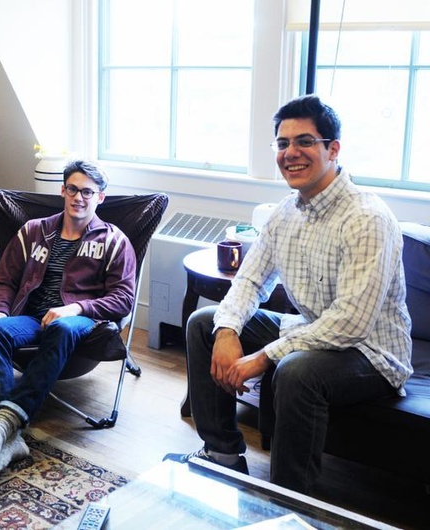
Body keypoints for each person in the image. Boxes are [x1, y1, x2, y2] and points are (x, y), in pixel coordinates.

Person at [165, 95, 413, 494]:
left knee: (295, 370)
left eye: (304, 141)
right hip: (311, 331)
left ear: (333, 149)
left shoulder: (367, 218)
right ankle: (222, 455)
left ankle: (288, 499)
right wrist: (227, 332)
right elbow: (249, 280)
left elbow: (350, 323)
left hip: (370, 352)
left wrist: (264, 356)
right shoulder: (284, 212)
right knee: (204, 323)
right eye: (283, 143)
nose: (290, 153)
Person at [0, 160, 137, 478]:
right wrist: (1, 310)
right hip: (32, 317)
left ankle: (2, 426)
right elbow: (5, 279)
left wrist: (76, 309)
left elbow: (123, 299)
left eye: (87, 192)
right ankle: (9, 439)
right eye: (73, 189)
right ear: (62, 190)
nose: (79, 198)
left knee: (60, 325)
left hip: (83, 324)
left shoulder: (114, 241)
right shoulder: (34, 231)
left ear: (100, 197)